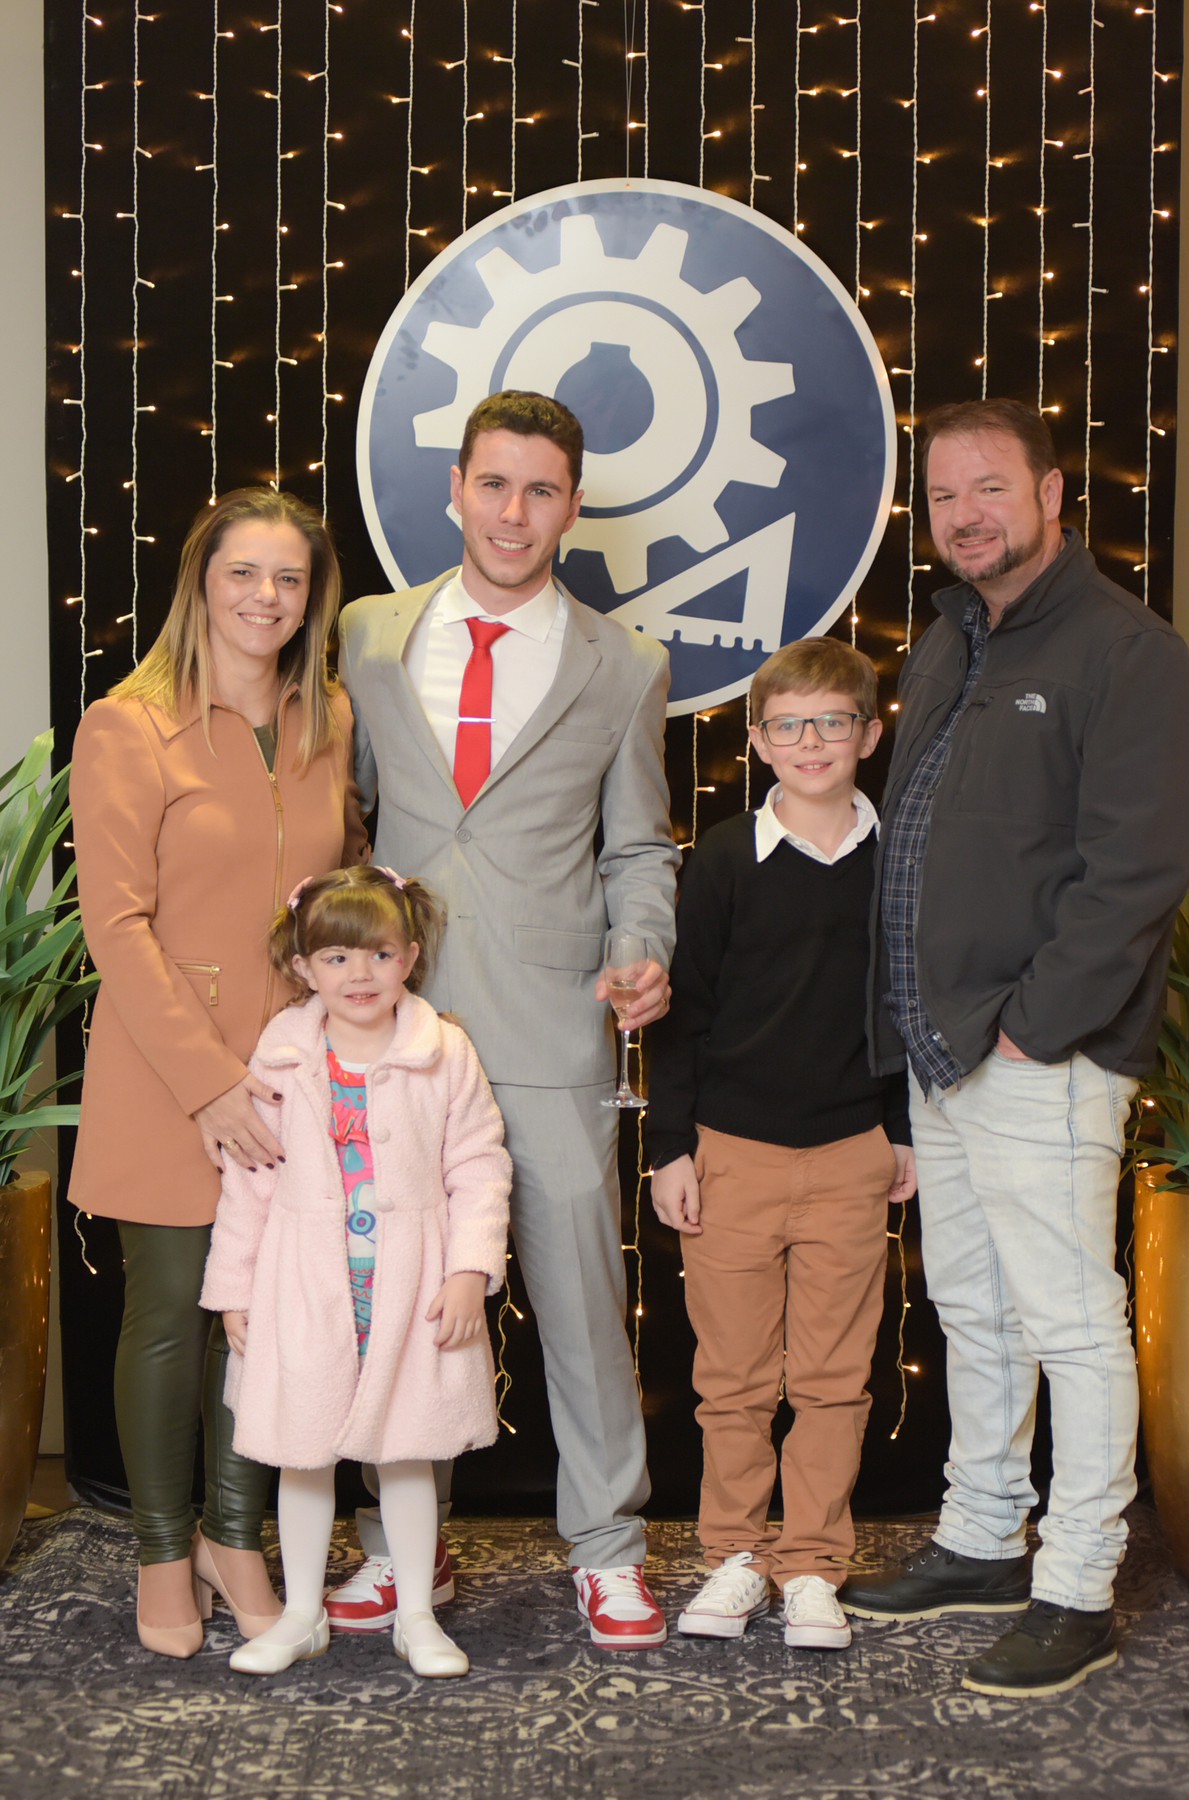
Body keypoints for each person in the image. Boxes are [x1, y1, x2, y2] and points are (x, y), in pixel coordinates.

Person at [837, 399, 1189, 1696]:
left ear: (1052, 493)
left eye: (991, 487)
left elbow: (1136, 871)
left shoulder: (1129, 652)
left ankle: (1079, 1583)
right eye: (944, 497)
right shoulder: (949, 641)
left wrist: (1036, 1030)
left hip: (1040, 1052)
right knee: (975, 1312)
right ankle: (985, 1539)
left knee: (1072, 1323)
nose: (966, 516)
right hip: (942, 1046)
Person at [335, 390, 680, 1647]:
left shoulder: (624, 663)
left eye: (540, 490)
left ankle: (609, 1546)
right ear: (456, 489)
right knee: (395, 1288)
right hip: (396, 1021)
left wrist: (642, 948)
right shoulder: (370, 635)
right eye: (494, 483)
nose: (514, 512)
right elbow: (348, 819)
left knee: (580, 1294)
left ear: (572, 506)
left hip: (552, 1017)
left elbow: (638, 845)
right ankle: (396, 1541)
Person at [70, 488, 367, 1659]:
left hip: (293, 1071)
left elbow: (336, 887)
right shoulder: (126, 726)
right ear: (201, 581)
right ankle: (160, 1546)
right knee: (169, 1315)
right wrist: (207, 1082)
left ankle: (233, 1538)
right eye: (244, 573)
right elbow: (115, 923)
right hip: (165, 1070)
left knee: (268, 1318)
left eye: (289, 578)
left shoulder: (327, 713)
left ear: (313, 597)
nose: (266, 597)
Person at [647, 638, 916, 1651]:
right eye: (789, 725)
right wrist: (672, 1146)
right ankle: (734, 1555)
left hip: (851, 1150)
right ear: (757, 741)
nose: (812, 742)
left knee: (836, 1378)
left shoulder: (899, 859)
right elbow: (686, 1011)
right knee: (734, 1380)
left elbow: (911, 1006)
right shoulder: (724, 857)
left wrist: (902, 1133)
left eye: (833, 722)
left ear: (869, 734)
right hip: (732, 1154)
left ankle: (811, 1565)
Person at [199, 866, 511, 1677]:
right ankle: (301, 1614)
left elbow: (479, 1162)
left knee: (408, 1450)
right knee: (302, 1451)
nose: (359, 974)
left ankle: (416, 1615)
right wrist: (233, 1288)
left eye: (377, 954)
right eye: (336, 958)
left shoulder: (443, 1050)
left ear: (409, 956)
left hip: (410, 1286)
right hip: (303, 1285)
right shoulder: (283, 1054)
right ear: (303, 967)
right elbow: (250, 1177)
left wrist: (469, 1270)